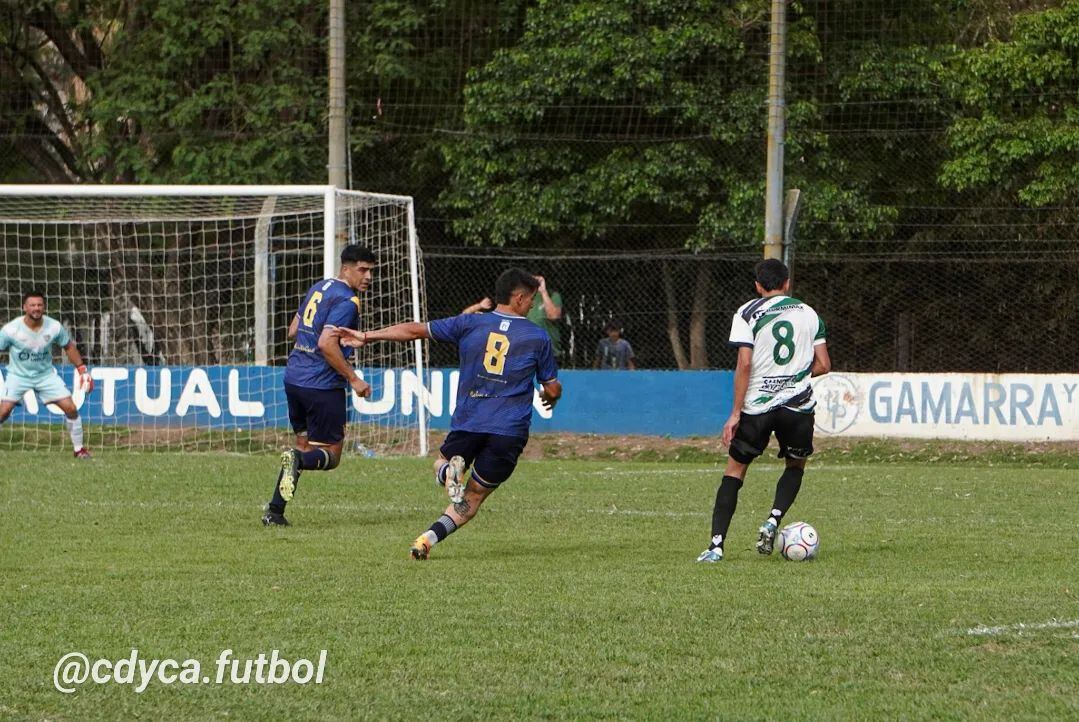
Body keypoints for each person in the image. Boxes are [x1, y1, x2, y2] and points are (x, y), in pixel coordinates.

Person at [332, 267, 562, 560]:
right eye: (530, 300)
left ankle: (444, 478)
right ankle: (427, 539)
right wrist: (550, 399)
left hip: (470, 421)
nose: (532, 305)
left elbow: (414, 330)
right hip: (509, 430)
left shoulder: (469, 323)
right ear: (518, 298)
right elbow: (551, 388)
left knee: (441, 462)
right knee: (474, 497)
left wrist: (367, 336)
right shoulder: (537, 336)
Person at [697, 259, 831, 563]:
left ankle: (716, 547)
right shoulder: (810, 314)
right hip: (797, 406)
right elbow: (823, 364)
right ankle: (773, 518)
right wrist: (795, 376)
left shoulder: (746, 312)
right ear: (787, 283)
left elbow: (744, 363)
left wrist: (734, 413)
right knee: (795, 466)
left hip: (757, 407)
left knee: (735, 472)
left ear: (758, 286)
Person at [261, 245, 376, 527]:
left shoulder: (319, 287)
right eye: (363, 269)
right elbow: (326, 343)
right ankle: (294, 461)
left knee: (303, 446)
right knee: (331, 455)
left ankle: (275, 512)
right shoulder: (349, 301)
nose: (369, 276)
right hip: (322, 386)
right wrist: (353, 378)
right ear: (346, 268)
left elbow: (292, 331)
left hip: (293, 378)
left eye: (372, 270)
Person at [0, 290, 94, 458]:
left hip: (45, 376)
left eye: (39, 305)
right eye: (32, 305)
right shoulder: (11, 330)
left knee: (71, 408)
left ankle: (79, 450)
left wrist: (81, 369)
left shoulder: (54, 326)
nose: (36, 308)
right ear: (24, 307)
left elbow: (69, 347)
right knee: (4, 411)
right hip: (18, 376)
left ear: (43, 307)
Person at [526, 275, 563, 360]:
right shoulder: (523, 298)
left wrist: (543, 291)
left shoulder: (553, 295)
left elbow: (554, 316)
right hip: (528, 352)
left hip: (549, 352)